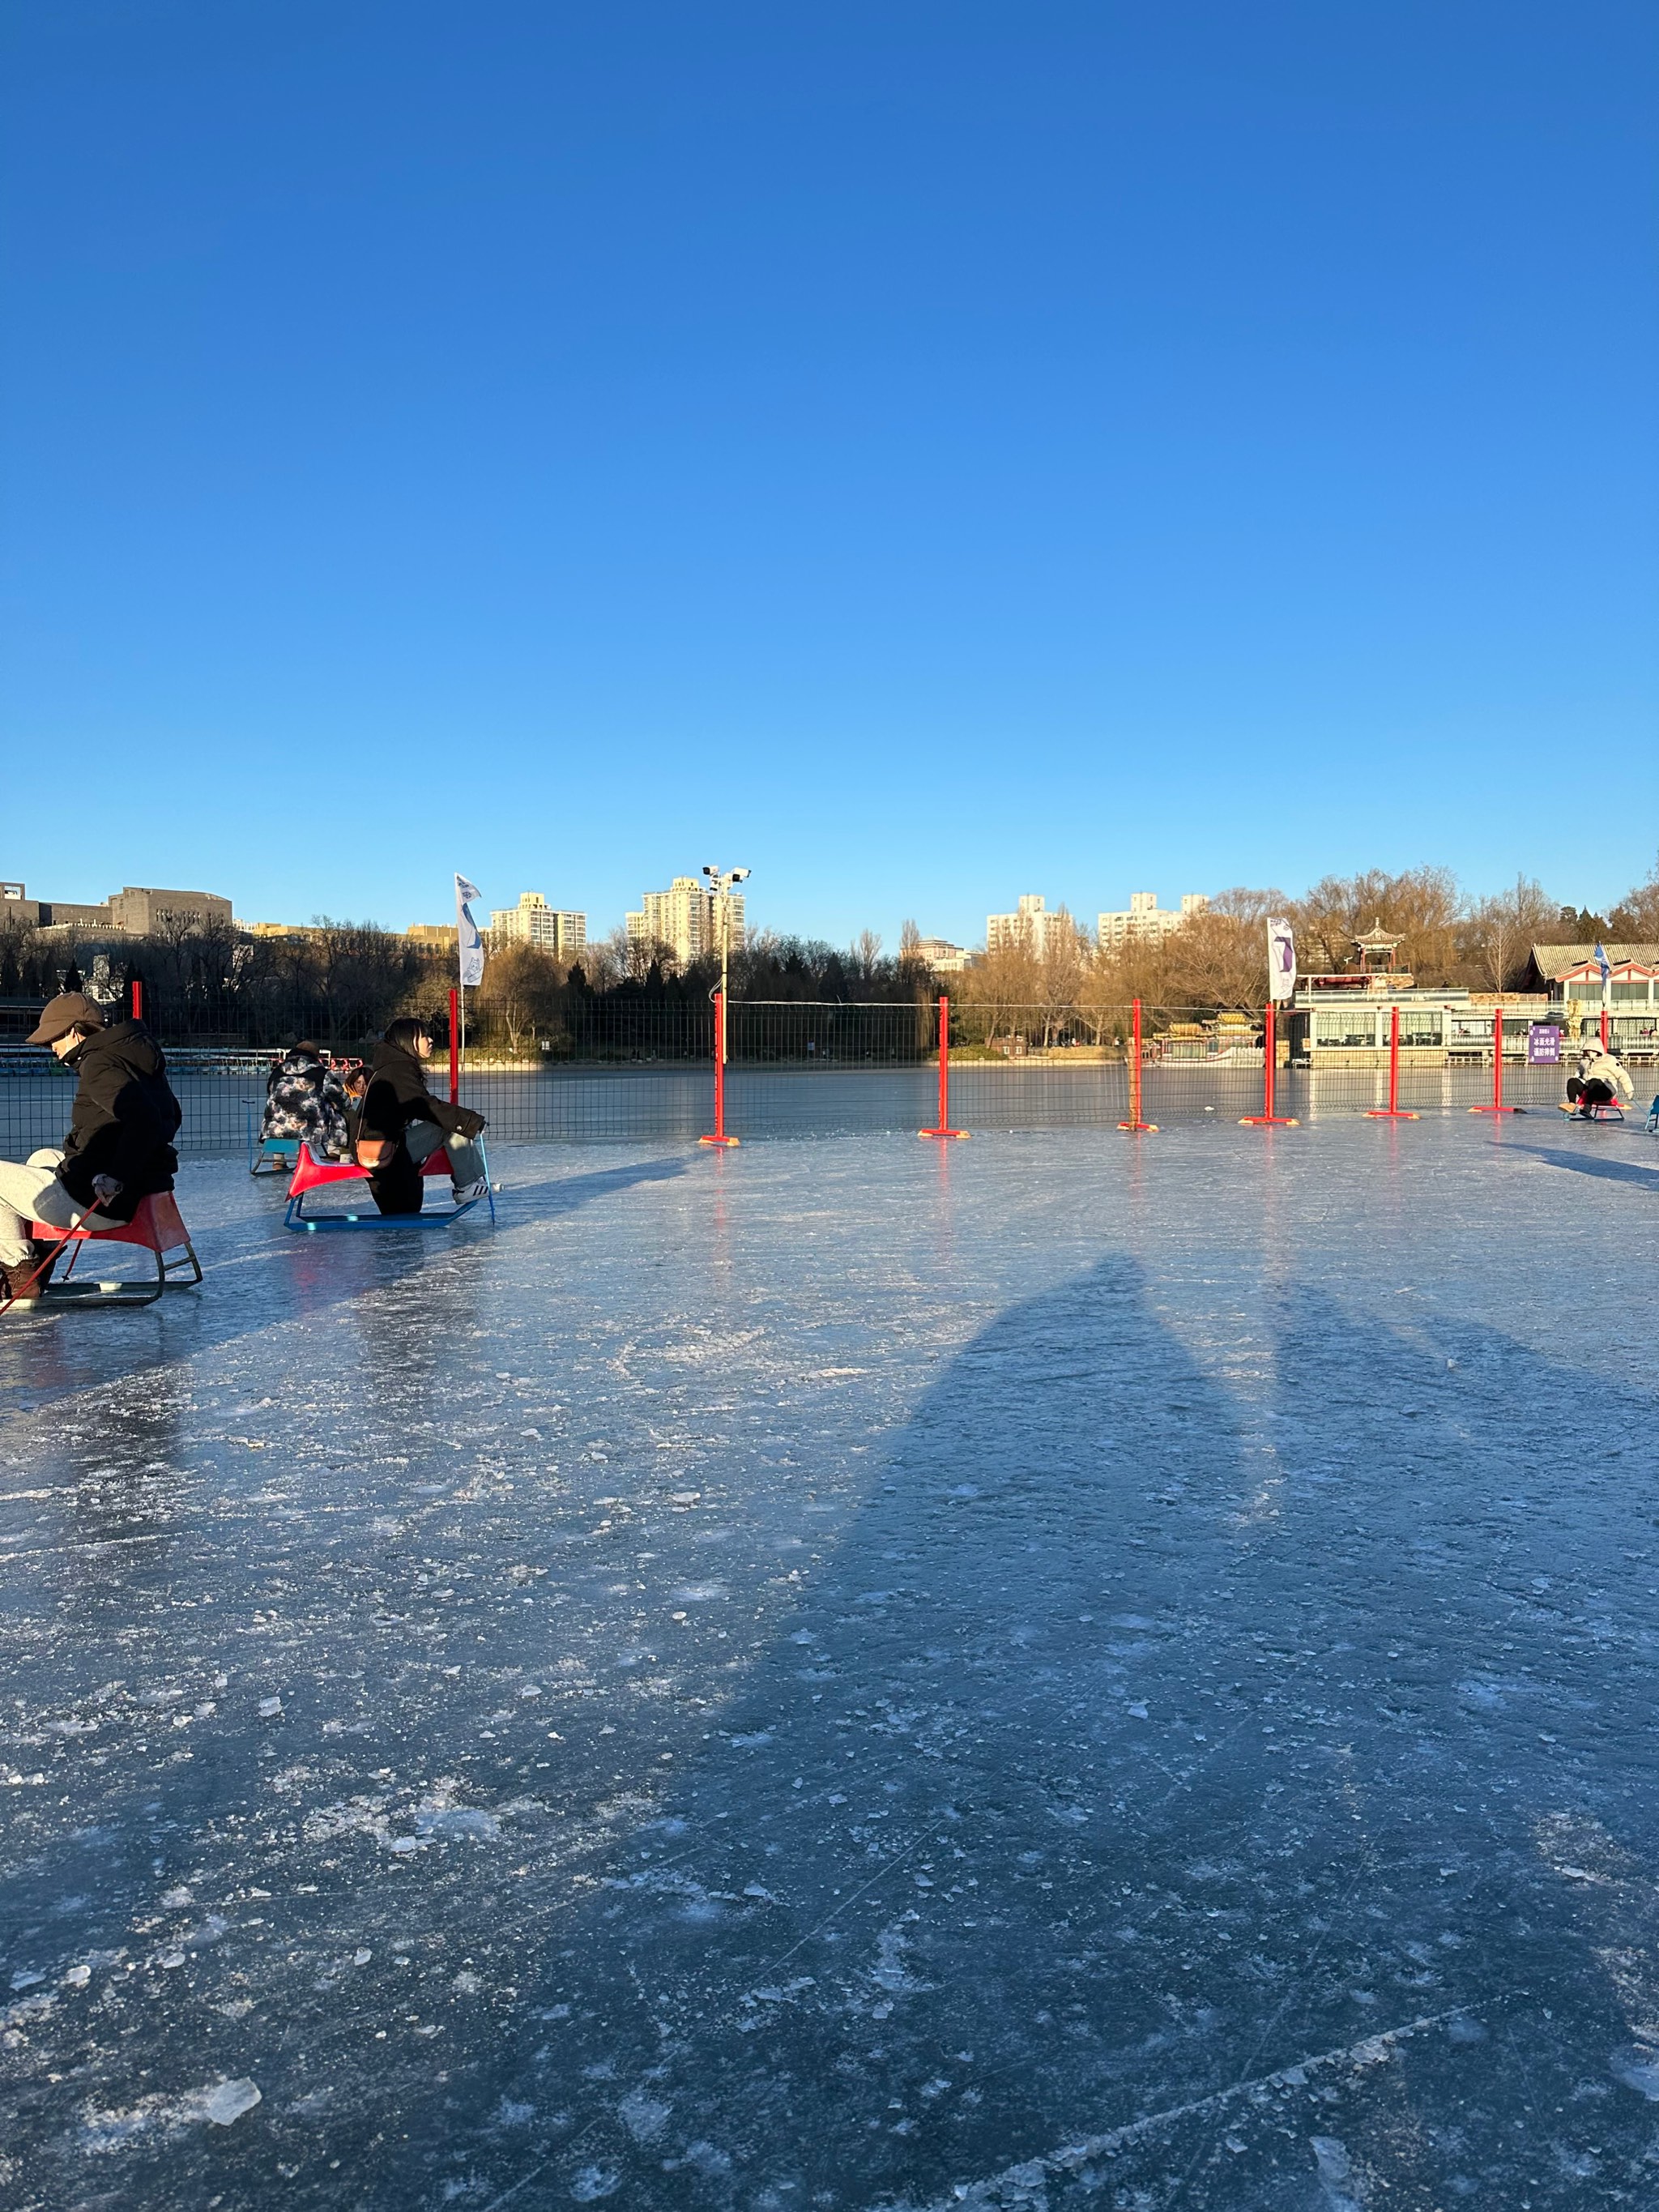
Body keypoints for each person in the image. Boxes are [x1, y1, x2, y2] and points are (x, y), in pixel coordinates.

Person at [0, 991, 182, 1305]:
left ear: (73, 1031)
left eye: (51, 1040)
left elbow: (145, 1122)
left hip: (100, 1200)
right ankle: (40, 1258)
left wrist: (115, 1175)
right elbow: (170, 1117)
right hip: (135, 1187)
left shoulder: (98, 1065)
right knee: (42, 1158)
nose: (50, 1048)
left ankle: (18, 1268)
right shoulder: (131, 1054)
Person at [356, 1017, 488, 1215]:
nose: (430, 1040)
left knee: (454, 1121)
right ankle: (468, 1185)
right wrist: (470, 1121)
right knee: (450, 1124)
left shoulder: (393, 1066)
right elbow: (424, 1106)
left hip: (388, 1146)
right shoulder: (398, 1069)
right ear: (407, 1040)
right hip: (385, 1152)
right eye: (424, 1035)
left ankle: (474, 1181)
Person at [260, 1041, 351, 1159]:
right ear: (316, 1056)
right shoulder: (322, 1073)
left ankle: (278, 1161)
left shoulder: (276, 1072)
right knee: (337, 1112)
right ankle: (333, 1153)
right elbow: (341, 1098)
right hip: (309, 1129)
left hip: (274, 1129)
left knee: (278, 1110)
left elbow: (270, 1092)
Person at [1566, 1043, 1634, 1117]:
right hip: (1588, 1088)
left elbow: (1622, 1074)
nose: (1588, 1053)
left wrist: (1629, 1090)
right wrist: (1574, 1082)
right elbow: (1578, 1073)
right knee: (1572, 1080)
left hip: (1605, 1089)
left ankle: (1587, 1108)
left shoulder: (1609, 1060)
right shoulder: (1584, 1061)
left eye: (1590, 1051)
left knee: (1594, 1081)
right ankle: (1572, 1106)